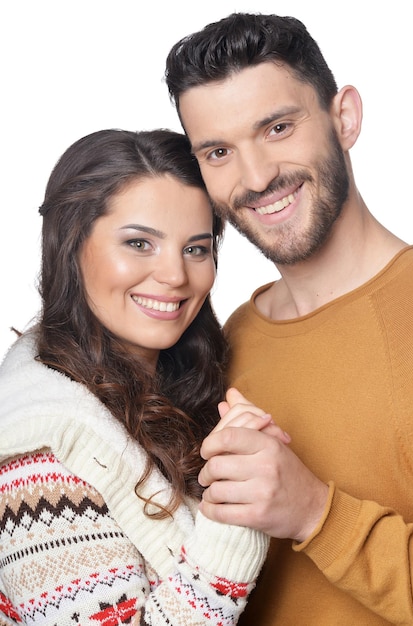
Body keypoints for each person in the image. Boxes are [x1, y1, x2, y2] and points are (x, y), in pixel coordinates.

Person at [165, 12, 413, 625]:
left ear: (345, 117)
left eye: (278, 127)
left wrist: (314, 514)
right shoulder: (226, 345)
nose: (256, 178)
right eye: (218, 151)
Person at [0, 128, 275, 625]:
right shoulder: (38, 459)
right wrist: (231, 521)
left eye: (196, 248)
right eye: (139, 243)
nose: (174, 274)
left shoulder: (188, 380)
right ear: (70, 245)